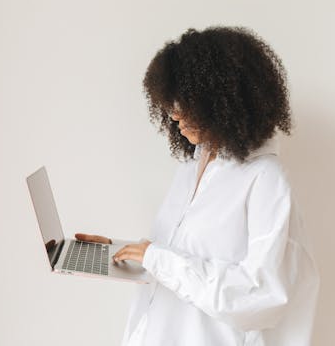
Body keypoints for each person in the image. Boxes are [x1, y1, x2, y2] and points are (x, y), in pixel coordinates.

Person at [75, 26, 320, 346]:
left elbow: (261, 296)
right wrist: (125, 252)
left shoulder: (265, 181)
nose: (175, 114)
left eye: (187, 102)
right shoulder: (195, 164)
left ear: (224, 102)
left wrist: (156, 258)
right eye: (172, 102)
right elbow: (186, 260)